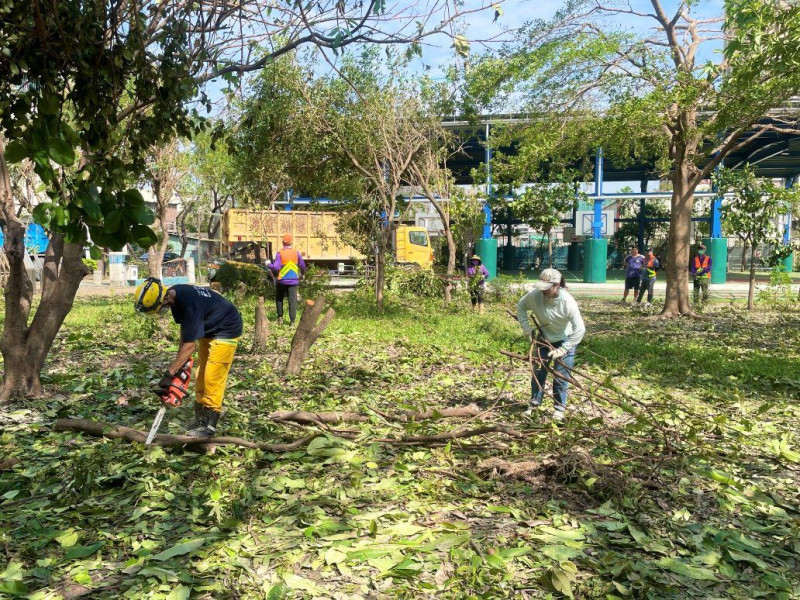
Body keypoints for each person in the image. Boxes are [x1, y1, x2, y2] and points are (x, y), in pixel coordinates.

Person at [134, 278, 243, 438]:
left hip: (227, 328)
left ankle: (210, 426)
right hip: (209, 328)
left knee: (212, 377)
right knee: (200, 374)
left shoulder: (189, 303)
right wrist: (180, 361)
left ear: (163, 299)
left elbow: (190, 346)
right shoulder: (174, 297)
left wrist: (170, 374)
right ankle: (200, 420)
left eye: (158, 308)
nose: (160, 311)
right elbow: (185, 333)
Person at [516, 268, 586, 421]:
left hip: (565, 340)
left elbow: (580, 329)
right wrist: (527, 329)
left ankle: (559, 409)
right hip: (544, 338)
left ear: (556, 285)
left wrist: (564, 349)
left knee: (561, 375)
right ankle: (534, 404)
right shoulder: (535, 296)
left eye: (546, 288)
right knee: (538, 372)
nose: (543, 292)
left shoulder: (567, 302)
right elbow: (520, 306)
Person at [268, 234, 307, 325]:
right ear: (291, 243)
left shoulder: (280, 253)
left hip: (282, 281)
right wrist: (303, 273)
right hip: (293, 281)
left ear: (283, 243)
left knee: (279, 299)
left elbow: (276, 267)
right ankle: (292, 321)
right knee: (292, 301)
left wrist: (269, 265)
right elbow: (302, 265)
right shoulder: (296, 252)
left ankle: (280, 318)